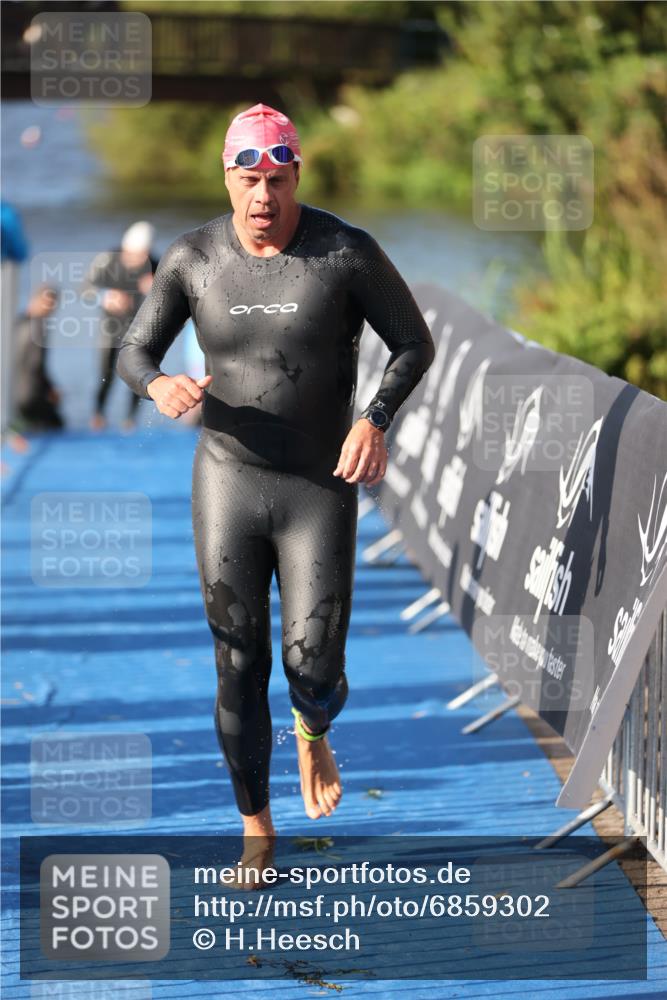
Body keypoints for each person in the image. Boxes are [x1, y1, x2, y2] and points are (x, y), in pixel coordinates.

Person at [116, 103, 435, 884]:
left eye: (277, 178)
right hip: (227, 478)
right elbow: (132, 350)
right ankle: (256, 828)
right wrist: (156, 386)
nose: (263, 195)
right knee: (236, 660)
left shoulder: (344, 252)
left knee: (312, 665)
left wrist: (375, 418)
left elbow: (412, 342)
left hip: (316, 485)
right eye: (248, 178)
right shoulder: (193, 258)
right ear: (226, 176)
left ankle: (312, 725)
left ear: (296, 176)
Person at [85, 221, 158, 431]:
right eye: (134, 255)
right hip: (109, 327)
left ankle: (130, 420)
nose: (138, 260)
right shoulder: (108, 259)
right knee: (105, 373)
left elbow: (170, 296)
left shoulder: (153, 263)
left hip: (139, 328)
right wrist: (104, 297)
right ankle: (98, 415)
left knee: (139, 372)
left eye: (142, 255)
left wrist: (155, 290)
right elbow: (85, 288)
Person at [11, 284, 64, 433]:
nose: (49, 309)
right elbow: (35, 366)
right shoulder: (38, 327)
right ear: (35, 300)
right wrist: (50, 388)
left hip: (11, 391)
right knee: (56, 424)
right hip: (28, 395)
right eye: (46, 303)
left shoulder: (16, 323)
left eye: (52, 305)